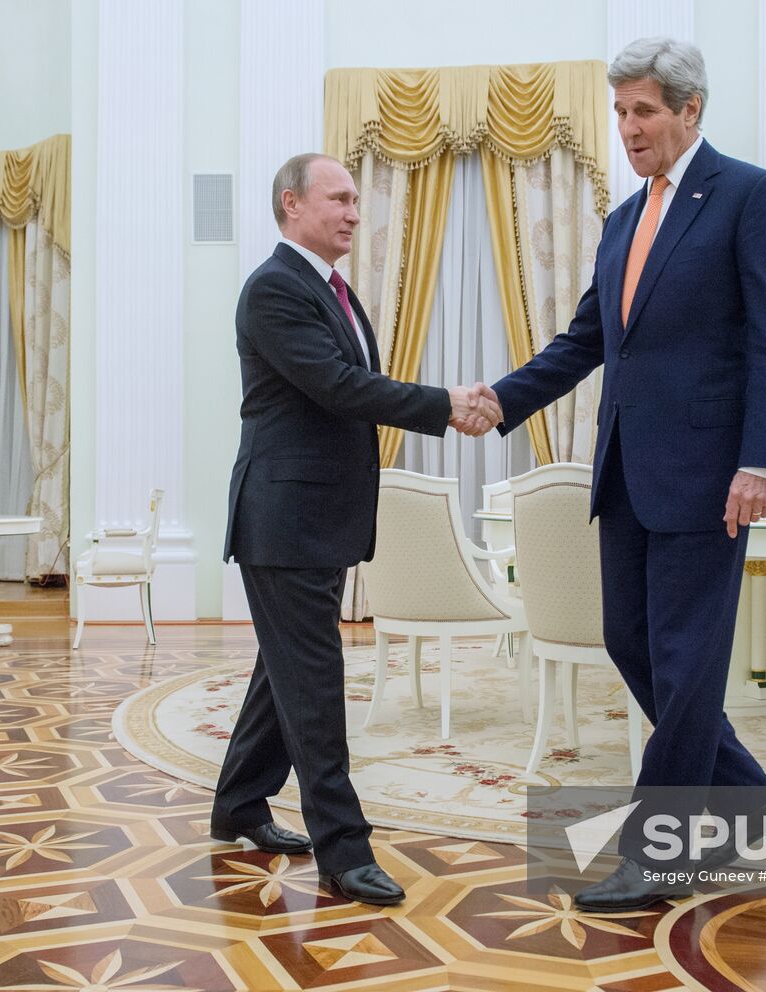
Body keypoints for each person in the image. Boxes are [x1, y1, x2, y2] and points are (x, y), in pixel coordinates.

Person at [470, 38, 766, 910]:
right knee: (633, 645)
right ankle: (750, 799)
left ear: (690, 111)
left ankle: (660, 848)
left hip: (709, 476)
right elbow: (587, 341)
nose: (628, 128)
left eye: (644, 111)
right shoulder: (623, 221)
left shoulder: (749, 195)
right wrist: (499, 401)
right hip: (624, 472)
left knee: (687, 659)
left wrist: (762, 458)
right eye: (619, 112)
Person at [214, 152, 499, 907]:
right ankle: (343, 851)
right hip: (284, 522)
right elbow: (341, 389)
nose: (352, 211)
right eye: (338, 198)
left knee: (285, 671)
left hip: (316, 519)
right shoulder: (275, 288)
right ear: (291, 204)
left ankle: (239, 804)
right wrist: (445, 403)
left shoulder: (328, 290)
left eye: (354, 200)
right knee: (313, 685)